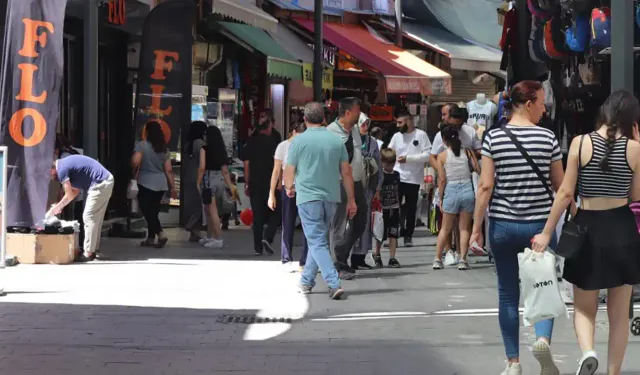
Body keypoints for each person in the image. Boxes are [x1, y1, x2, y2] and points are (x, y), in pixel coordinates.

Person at [532, 90, 640, 375]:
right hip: (621, 227)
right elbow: (636, 194)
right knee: (619, 315)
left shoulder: (580, 143)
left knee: (584, 307)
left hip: (588, 228)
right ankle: (613, 372)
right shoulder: (635, 149)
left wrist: (546, 233)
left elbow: (566, 192)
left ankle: (588, 352)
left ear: (603, 112)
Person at [470, 80, 566, 375]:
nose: (544, 108)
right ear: (528, 104)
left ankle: (513, 362)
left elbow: (485, 186)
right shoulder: (547, 138)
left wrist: (476, 228)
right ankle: (542, 340)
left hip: (502, 225)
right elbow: (560, 186)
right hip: (539, 226)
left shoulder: (493, 138)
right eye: (541, 103)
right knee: (543, 286)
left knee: (508, 294)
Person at [283, 102, 357, 300]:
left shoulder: (298, 142)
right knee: (318, 241)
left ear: (305, 120)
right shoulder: (336, 141)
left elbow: (289, 171)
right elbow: (346, 172)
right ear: (324, 119)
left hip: (308, 197)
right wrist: (351, 199)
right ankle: (306, 281)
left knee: (316, 241)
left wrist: (289, 187)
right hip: (331, 197)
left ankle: (333, 283)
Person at [327, 97, 367, 279]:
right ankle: (337, 264)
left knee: (360, 222)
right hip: (338, 182)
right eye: (357, 111)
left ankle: (342, 257)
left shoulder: (355, 131)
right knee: (340, 223)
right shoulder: (330, 133)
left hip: (357, 181)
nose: (359, 115)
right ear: (348, 112)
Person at [48, 154, 114, 262]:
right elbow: (74, 192)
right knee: (95, 218)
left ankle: (88, 252)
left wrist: (55, 208)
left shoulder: (62, 170)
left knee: (89, 216)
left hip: (100, 183)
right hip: (106, 181)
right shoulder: (65, 166)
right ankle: (93, 250)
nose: (50, 177)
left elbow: (69, 195)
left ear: (51, 169)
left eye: (48, 174)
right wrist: (60, 206)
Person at [433, 126, 479, 271]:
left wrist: (440, 198)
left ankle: (437, 259)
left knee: (445, 228)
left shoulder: (442, 156)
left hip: (451, 190)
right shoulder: (467, 152)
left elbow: (441, 180)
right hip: (467, 188)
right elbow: (477, 169)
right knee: (464, 228)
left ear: (444, 140)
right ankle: (463, 259)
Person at [269, 122, 309, 272]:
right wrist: (271, 193)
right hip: (288, 189)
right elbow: (276, 170)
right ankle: (286, 258)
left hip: (304, 189)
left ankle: (304, 260)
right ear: (293, 132)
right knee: (287, 223)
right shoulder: (283, 146)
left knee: (307, 225)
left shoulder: (306, 145)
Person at [131, 122, 178, 248]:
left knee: (147, 211)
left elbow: (136, 161)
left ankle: (161, 234)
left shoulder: (141, 145)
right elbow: (168, 169)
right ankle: (151, 238)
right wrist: (173, 187)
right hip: (161, 183)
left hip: (145, 181)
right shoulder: (164, 149)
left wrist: (132, 169)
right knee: (154, 211)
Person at [387, 111, 431, 247]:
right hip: (397, 175)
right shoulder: (396, 136)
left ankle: (408, 235)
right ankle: (393, 235)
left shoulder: (421, 135)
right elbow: (389, 151)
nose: (398, 125)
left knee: (411, 209)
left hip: (413, 178)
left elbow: (428, 155)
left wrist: (409, 159)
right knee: (394, 207)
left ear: (409, 121)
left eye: (400, 122)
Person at [241, 109, 281, 255]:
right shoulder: (276, 141)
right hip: (271, 182)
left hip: (255, 182)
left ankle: (258, 246)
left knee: (257, 216)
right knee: (276, 212)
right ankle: (267, 237)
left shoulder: (251, 141)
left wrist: (247, 182)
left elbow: (246, 164)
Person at [352, 113, 382, 269]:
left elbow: (379, 166)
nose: (365, 127)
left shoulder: (373, 143)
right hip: (351, 186)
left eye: (367, 124)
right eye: (362, 124)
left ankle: (360, 257)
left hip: (367, 187)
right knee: (350, 222)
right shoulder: (349, 140)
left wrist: (377, 188)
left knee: (364, 223)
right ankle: (346, 256)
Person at [197, 125, 235, 249]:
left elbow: (202, 167)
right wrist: (230, 185)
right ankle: (210, 236)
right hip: (219, 182)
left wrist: (197, 182)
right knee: (210, 210)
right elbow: (225, 170)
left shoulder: (204, 149)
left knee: (211, 210)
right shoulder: (221, 150)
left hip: (208, 181)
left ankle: (217, 238)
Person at [372, 148, 401, 268]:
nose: (390, 166)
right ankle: (377, 254)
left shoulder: (396, 175)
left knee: (393, 234)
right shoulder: (380, 176)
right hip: (382, 209)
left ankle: (392, 257)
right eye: (387, 164)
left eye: (392, 164)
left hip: (394, 208)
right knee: (380, 235)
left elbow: (398, 191)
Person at [183, 121, 207, 241]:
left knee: (192, 204)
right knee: (199, 205)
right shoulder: (201, 144)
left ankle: (194, 233)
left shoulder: (188, 144)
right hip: (198, 176)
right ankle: (192, 227)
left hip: (188, 175)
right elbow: (202, 165)